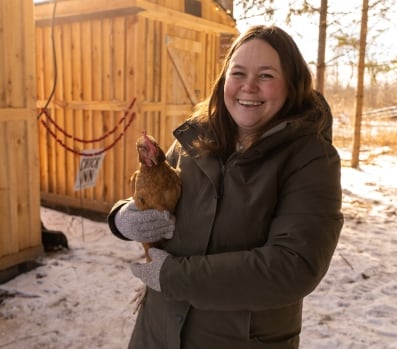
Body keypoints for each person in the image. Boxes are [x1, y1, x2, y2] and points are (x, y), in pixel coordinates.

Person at [107, 25, 344, 349]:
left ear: (292, 85)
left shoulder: (310, 159)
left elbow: (293, 266)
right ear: (223, 81)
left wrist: (172, 276)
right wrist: (123, 218)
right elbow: (158, 195)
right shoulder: (194, 140)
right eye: (239, 72)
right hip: (157, 332)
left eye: (266, 75)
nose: (248, 86)